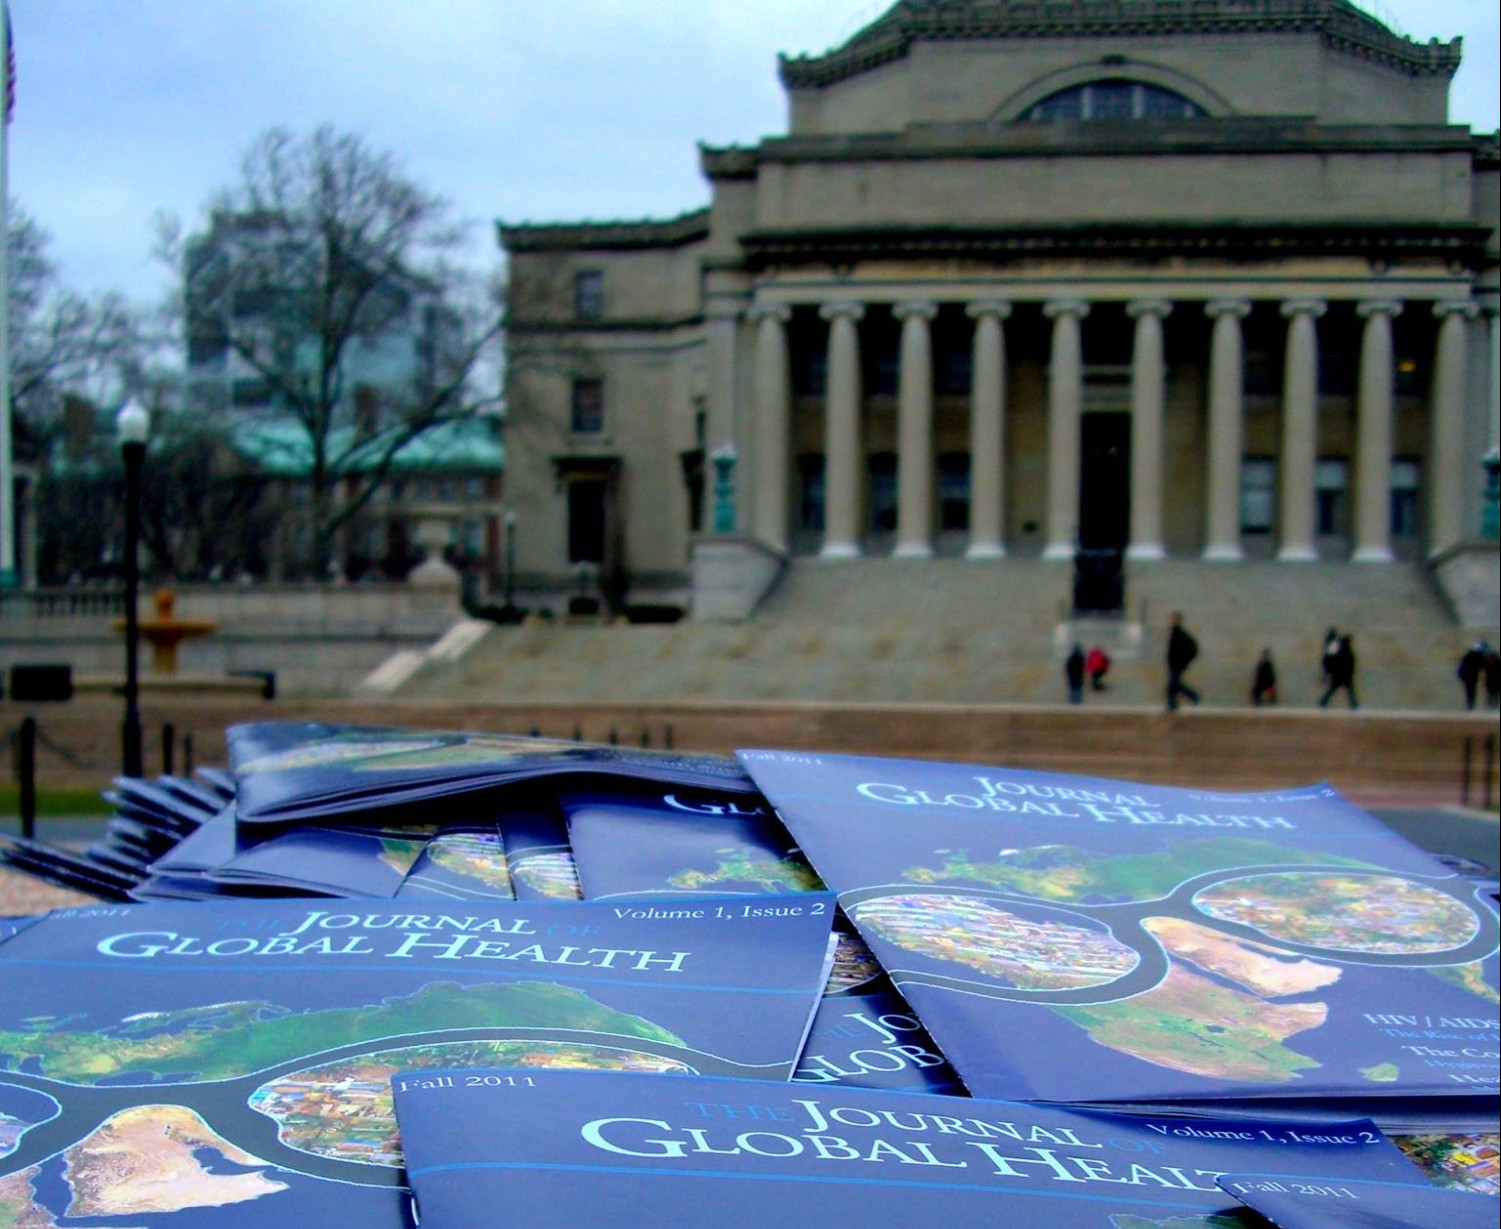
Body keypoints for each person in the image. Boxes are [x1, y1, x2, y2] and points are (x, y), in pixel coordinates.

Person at [1165, 612, 1200, 711]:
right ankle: (1173, 704)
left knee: (1173, 684)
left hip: (1177, 664)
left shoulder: (1180, 634)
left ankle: (1193, 696)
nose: (1170, 622)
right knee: (1173, 684)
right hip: (1173, 664)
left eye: (1172, 620)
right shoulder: (1174, 633)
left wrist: (1184, 661)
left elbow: (1193, 648)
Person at [1319, 633, 1358, 709]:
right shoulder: (1347, 652)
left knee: (1334, 689)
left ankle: (1323, 702)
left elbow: (1332, 663)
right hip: (1344, 676)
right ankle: (1354, 704)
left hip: (1339, 675)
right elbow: (1349, 665)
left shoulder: (1339, 652)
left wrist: (1329, 673)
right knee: (1348, 690)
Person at [1457, 640, 1488, 711]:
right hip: (1471, 676)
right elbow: (1482, 665)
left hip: (1468, 676)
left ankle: (1470, 705)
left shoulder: (1470, 654)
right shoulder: (1478, 655)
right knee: (1471, 690)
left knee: (1469, 690)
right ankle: (1470, 705)